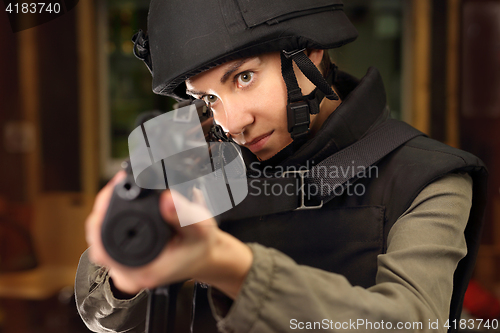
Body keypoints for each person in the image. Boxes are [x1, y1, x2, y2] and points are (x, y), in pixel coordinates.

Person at [75, 0, 488, 332]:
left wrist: (232, 268)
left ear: (310, 51)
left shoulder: (428, 177)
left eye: (244, 78)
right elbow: (103, 314)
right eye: (209, 99)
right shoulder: (202, 151)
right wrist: (128, 253)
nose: (231, 122)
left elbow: (410, 323)